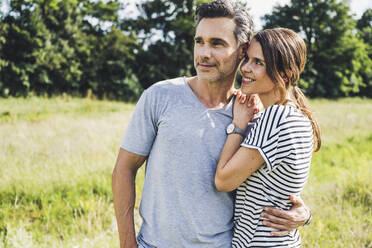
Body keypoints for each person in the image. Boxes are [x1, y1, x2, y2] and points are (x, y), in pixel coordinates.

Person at [112, 1, 311, 247]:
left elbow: (271, 183)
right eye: (199, 42)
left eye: (217, 43)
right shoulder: (159, 96)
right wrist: (127, 244)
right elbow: (124, 169)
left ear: (242, 51)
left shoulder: (253, 112)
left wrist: (302, 213)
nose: (204, 53)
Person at [215, 28, 321, 247]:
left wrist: (238, 125)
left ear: (284, 74)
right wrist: (305, 215)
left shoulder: (275, 117)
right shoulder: (299, 117)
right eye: (246, 59)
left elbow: (223, 181)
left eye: (258, 62)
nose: (245, 68)